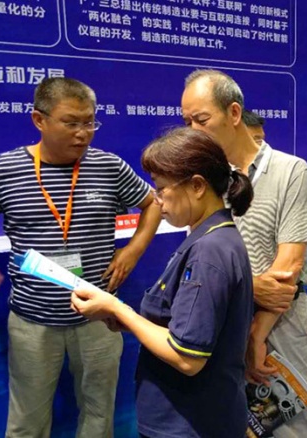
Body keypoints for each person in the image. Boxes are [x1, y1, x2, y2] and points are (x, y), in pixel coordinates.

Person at [0, 77, 161, 437]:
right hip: (32, 321)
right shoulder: (3, 170)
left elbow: (153, 205)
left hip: (98, 317)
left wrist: (133, 250)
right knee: (27, 422)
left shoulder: (108, 167)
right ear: (39, 120)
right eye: (71, 123)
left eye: (89, 122)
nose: (82, 133)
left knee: (99, 415)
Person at [71, 128, 255, 437]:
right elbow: (183, 324)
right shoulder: (212, 238)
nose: (157, 201)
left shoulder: (209, 252)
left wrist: (117, 308)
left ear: (197, 185)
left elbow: (187, 356)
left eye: (161, 189)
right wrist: (127, 321)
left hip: (191, 421)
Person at [180, 69, 307, 437]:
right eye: (187, 121)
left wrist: (256, 334)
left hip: (279, 328)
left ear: (233, 113)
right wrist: (248, 288)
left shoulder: (291, 171)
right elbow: (203, 260)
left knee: (291, 428)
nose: (193, 131)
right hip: (221, 324)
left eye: (201, 120)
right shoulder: (203, 180)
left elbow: (287, 269)